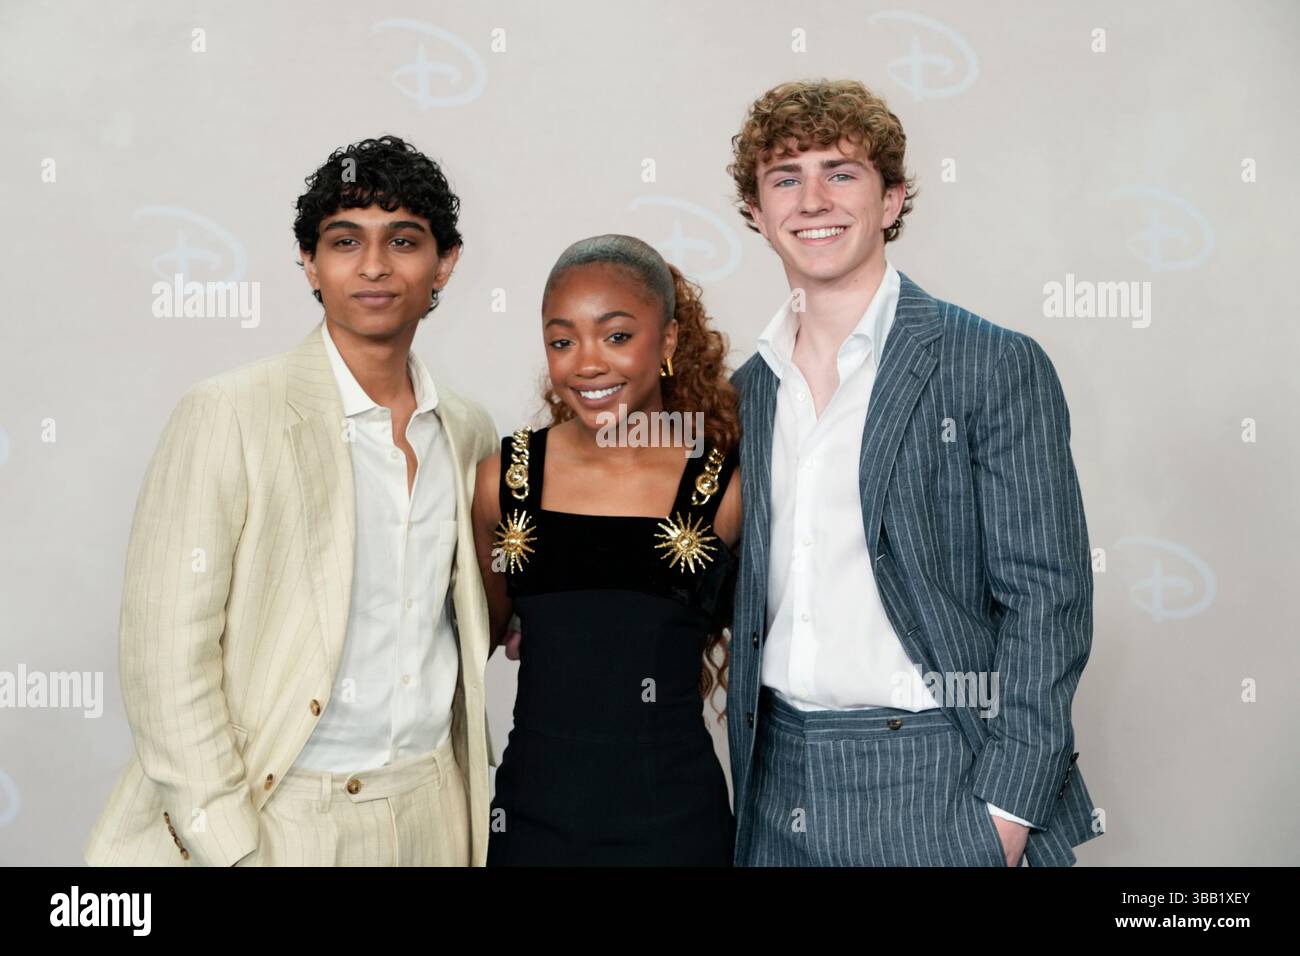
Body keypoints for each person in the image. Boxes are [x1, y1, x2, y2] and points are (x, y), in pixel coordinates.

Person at [84, 135, 497, 866]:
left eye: (404, 240)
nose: (374, 265)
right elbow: (163, 656)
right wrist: (229, 844)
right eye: (346, 241)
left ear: (446, 263)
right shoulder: (230, 412)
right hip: (283, 814)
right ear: (309, 262)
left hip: (435, 808)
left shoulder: (467, 431)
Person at [723, 79, 1104, 866]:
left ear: (892, 199)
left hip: (940, 776)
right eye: (786, 178)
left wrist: (1006, 811)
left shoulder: (990, 364)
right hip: (775, 784)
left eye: (842, 173)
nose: (813, 199)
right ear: (756, 212)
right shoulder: (746, 392)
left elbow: (1049, 598)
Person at [472, 235, 742, 865]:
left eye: (617, 336)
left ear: (668, 340)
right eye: (562, 342)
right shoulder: (503, 479)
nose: (587, 364)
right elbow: (478, 636)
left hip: (678, 827)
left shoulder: (724, 486)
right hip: (532, 823)